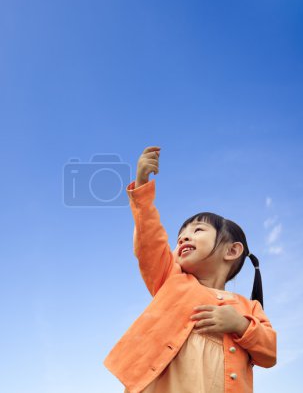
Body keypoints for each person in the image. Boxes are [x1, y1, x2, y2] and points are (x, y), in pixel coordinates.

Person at [103, 146, 277, 393]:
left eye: (197, 231)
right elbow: (150, 243)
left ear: (232, 251)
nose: (184, 238)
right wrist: (142, 188)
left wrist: (240, 324)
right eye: (180, 236)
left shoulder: (249, 308)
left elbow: (269, 353)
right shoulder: (172, 279)